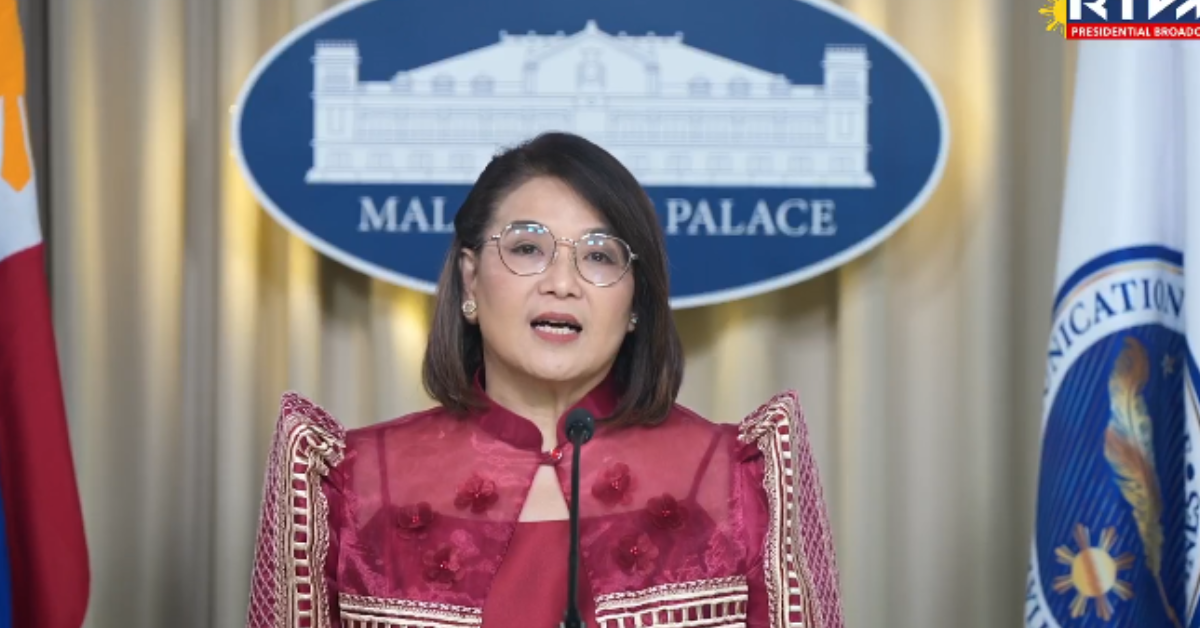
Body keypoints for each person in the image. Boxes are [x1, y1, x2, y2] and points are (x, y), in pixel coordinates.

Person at [244, 132, 844, 628]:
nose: (562, 282)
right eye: (528, 248)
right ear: (471, 280)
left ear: (636, 303)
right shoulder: (350, 483)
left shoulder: (736, 481)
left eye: (599, 255)